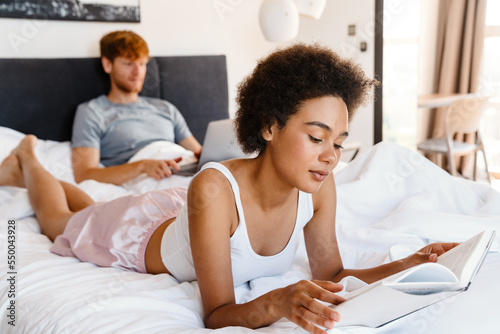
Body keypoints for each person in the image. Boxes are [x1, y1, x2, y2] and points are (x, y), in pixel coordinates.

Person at [0, 44, 458, 334]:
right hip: (137, 236)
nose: (330, 156)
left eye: (338, 143)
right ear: (269, 126)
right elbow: (216, 314)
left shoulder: (321, 186)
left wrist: (412, 263)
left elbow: (334, 274)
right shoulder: (214, 191)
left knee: (95, 205)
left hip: (183, 211)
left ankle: (43, 174)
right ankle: (27, 158)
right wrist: (278, 300)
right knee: (64, 221)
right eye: (317, 138)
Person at [71, 30, 202, 185]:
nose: (137, 72)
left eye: (142, 64)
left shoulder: (165, 108)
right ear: (107, 64)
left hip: (182, 170)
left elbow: (199, 154)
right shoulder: (92, 112)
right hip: (148, 179)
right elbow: (85, 174)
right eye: (128, 63)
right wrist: (142, 166)